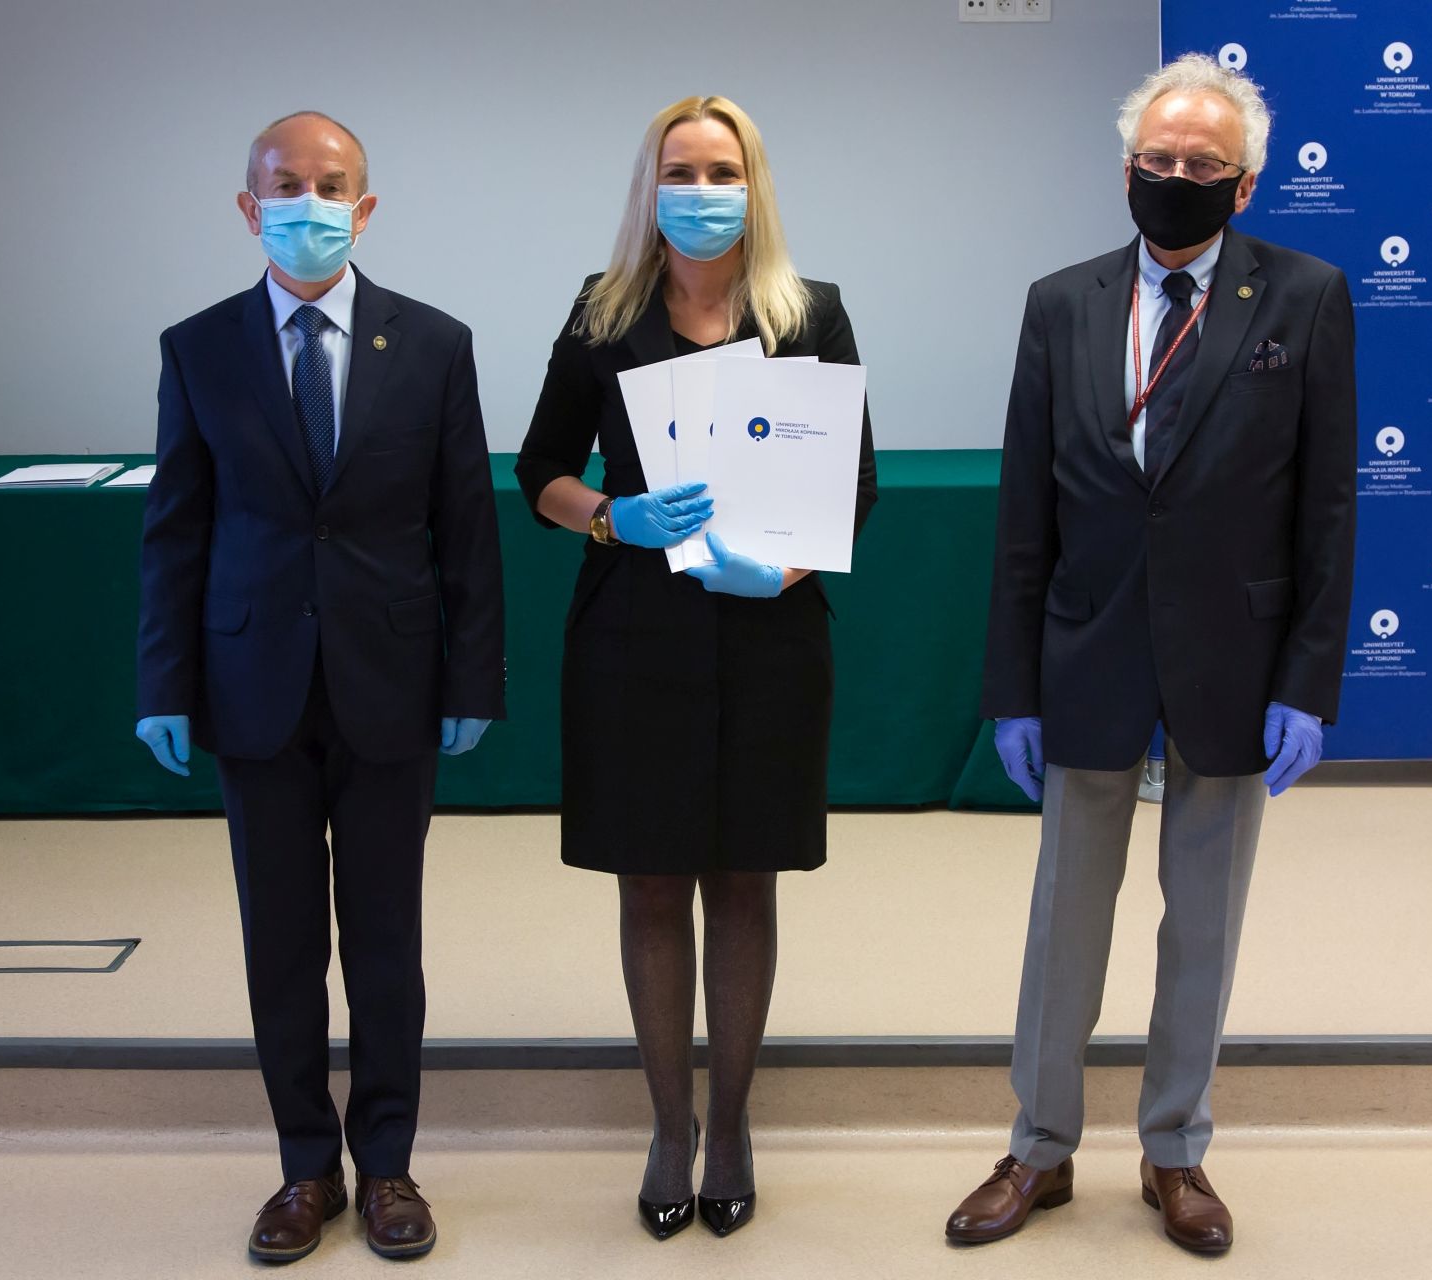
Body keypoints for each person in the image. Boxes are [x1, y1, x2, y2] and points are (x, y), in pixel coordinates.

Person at [946, 54, 1355, 1256]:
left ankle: (1175, 1149)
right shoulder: (1061, 302)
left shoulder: (1306, 297)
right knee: (1064, 920)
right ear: (1127, 166)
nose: (1176, 175)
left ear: (1244, 186)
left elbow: (1328, 507)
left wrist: (1308, 682)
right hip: (1087, 649)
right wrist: (1013, 688)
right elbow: (1025, 510)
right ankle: (1038, 1146)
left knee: (1204, 923)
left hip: (1236, 656)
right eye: (1158, 158)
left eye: (1202, 163)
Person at [134, 111, 505, 1264]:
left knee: (385, 937)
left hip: (392, 680)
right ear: (249, 208)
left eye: (330, 185)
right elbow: (176, 528)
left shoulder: (434, 343)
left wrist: (475, 674)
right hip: (253, 685)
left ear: (366, 205)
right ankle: (306, 1165)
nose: (309, 204)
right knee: (282, 941)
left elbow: (467, 525)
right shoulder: (199, 347)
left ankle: (387, 1162)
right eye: (284, 186)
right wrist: (163, 680)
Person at [515, 95, 875, 1240]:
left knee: (745, 880)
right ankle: (669, 1125)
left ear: (754, 185)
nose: (703, 190)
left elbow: (856, 481)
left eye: (725, 170)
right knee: (654, 883)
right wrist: (610, 515)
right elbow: (538, 472)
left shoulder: (809, 312)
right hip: (634, 638)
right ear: (650, 186)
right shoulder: (603, 311)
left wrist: (785, 566)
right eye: (683, 170)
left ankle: (732, 1124)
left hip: (770, 639)